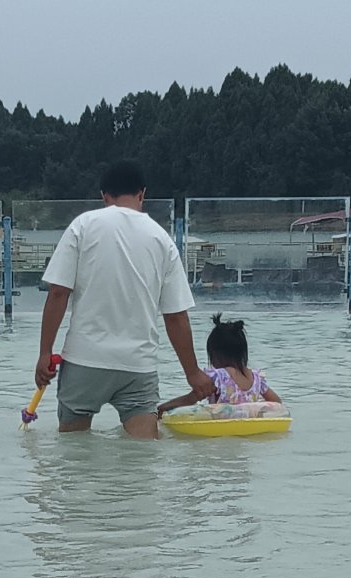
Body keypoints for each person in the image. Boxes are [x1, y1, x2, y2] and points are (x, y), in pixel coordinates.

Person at [34, 160, 213, 436]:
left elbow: (58, 293)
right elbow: (176, 316)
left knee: (73, 455)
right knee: (142, 460)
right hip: (137, 366)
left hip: (84, 361)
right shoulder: (161, 239)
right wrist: (193, 373)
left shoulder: (83, 225)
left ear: (104, 197)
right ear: (142, 194)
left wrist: (45, 352)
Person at [199, 312, 281, 409]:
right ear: (242, 352)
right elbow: (277, 402)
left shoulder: (219, 377)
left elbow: (194, 396)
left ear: (216, 354)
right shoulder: (256, 378)